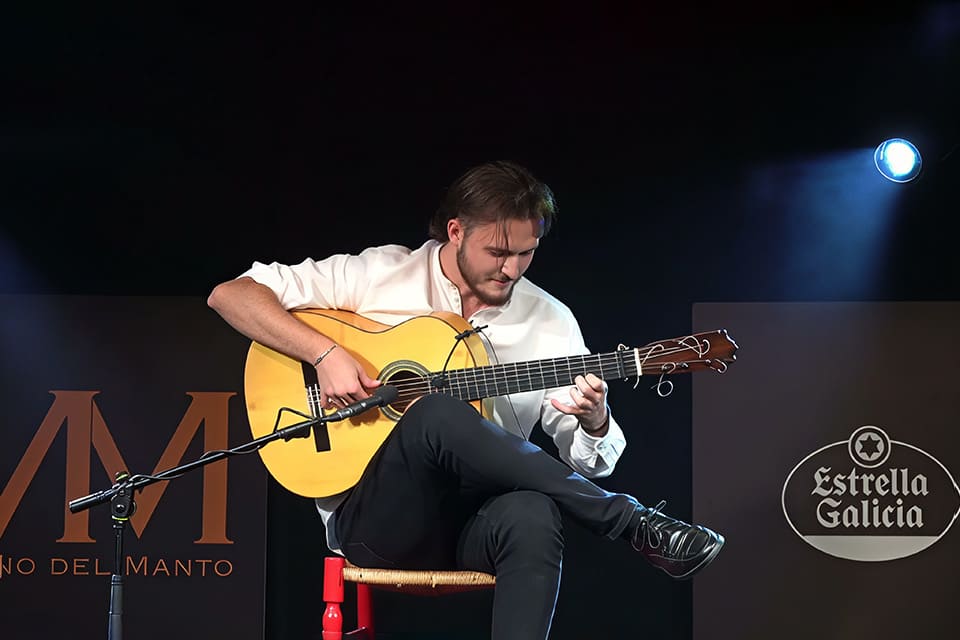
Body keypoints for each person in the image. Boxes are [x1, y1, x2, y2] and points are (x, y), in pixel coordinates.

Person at [208, 160, 724, 639]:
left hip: (475, 527)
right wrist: (323, 354)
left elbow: (587, 461)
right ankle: (632, 523)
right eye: (497, 253)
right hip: (377, 523)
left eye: (526, 254)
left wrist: (594, 419)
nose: (511, 269)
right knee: (435, 409)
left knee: (534, 512)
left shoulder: (550, 321)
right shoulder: (376, 275)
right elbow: (231, 293)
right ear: (456, 232)